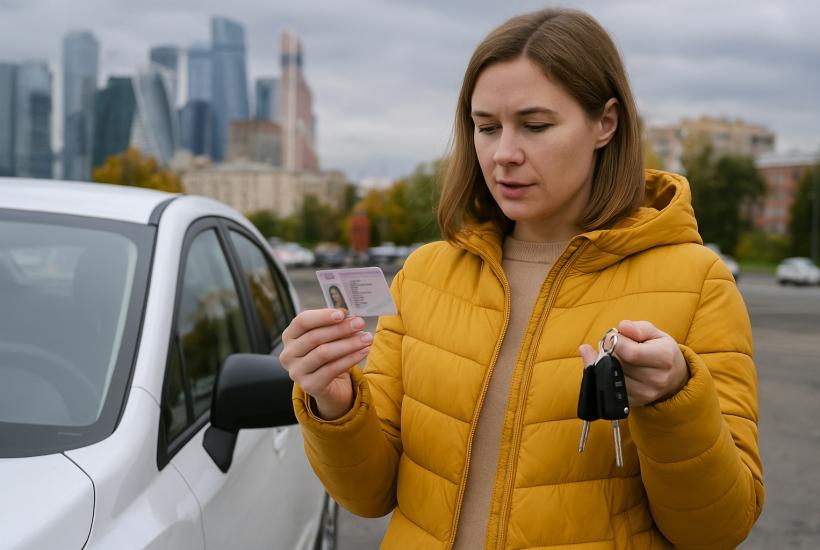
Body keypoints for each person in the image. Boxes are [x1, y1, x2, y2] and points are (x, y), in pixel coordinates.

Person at [280, 8, 763, 549]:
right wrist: (335, 401)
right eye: (487, 127)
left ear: (605, 123)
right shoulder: (424, 275)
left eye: (535, 126)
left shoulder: (698, 283)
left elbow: (717, 529)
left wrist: (675, 399)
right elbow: (368, 496)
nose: (504, 154)